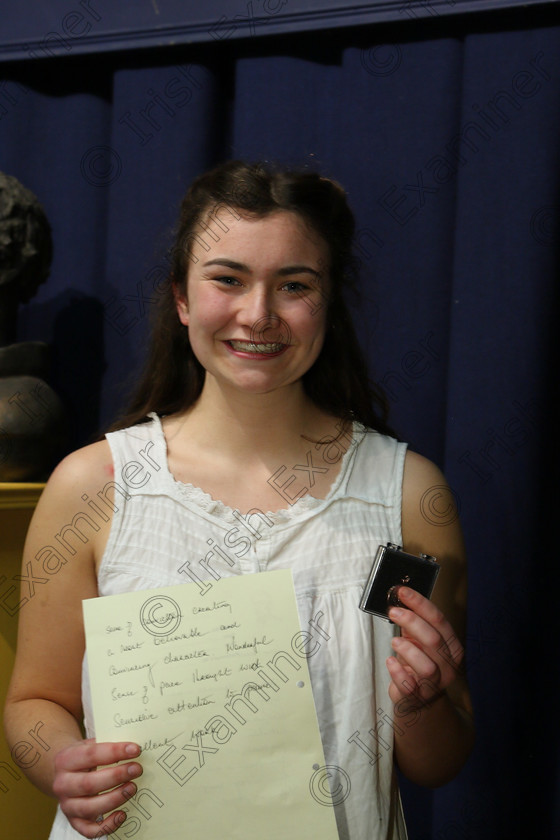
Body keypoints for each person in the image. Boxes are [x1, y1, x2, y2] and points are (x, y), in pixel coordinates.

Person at [4, 160, 474, 840]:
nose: (258, 314)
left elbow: (440, 761)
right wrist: (62, 765)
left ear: (328, 300)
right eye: (228, 279)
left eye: (294, 285)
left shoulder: (405, 496)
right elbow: (34, 700)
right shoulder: (93, 485)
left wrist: (423, 702)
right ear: (183, 298)